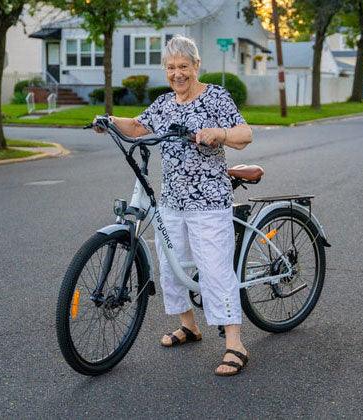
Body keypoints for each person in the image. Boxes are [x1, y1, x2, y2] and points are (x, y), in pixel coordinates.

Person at [93, 35, 252, 376]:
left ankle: (235, 344)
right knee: (171, 265)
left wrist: (218, 134)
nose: (177, 74)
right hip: (172, 202)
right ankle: (189, 326)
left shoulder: (216, 97)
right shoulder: (165, 103)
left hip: (208, 201)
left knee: (214, 270)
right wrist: (108, 120)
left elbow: (244, 134)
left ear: (196, 66)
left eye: (183, 67)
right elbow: (137, 126)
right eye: (171, 68)